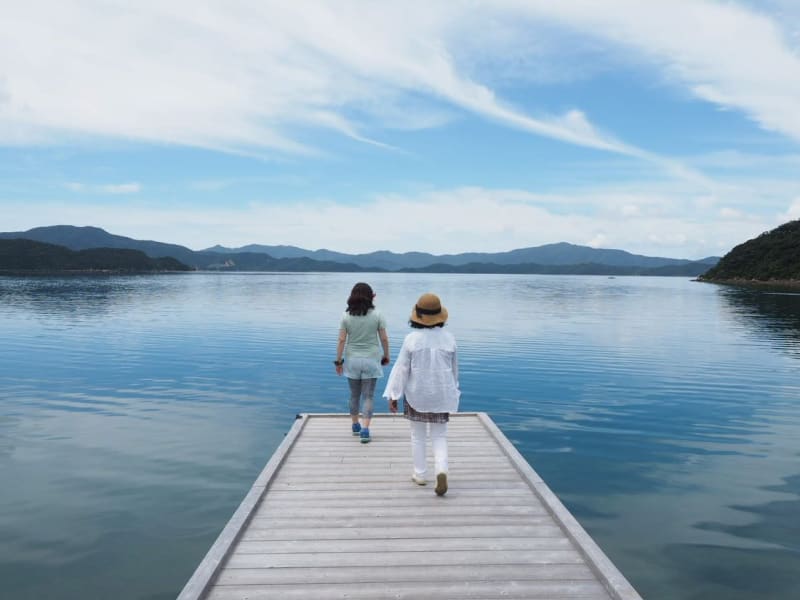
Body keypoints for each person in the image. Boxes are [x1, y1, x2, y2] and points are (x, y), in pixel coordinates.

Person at [383, 292, 459, 496]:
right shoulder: (449, 339)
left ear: (417, 316)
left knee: (417, 435)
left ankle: (420, 474)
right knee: (440, 436)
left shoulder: (412, 339)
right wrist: (453, 391)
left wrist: (393, 394)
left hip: (417, 394)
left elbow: (401, 369)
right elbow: (454, 371)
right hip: (441, 395)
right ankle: (441, 470)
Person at [335, 282, 390, 443]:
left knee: (354, 395)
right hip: (371, 359)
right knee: (368, 396)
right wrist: (386, 356)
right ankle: (365, 429)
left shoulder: (346, 316)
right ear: (371, 296)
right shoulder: (378, 315)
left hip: (352, 360)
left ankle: (355, 425)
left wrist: (338, 362)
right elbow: (384, 338)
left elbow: (341, 340)